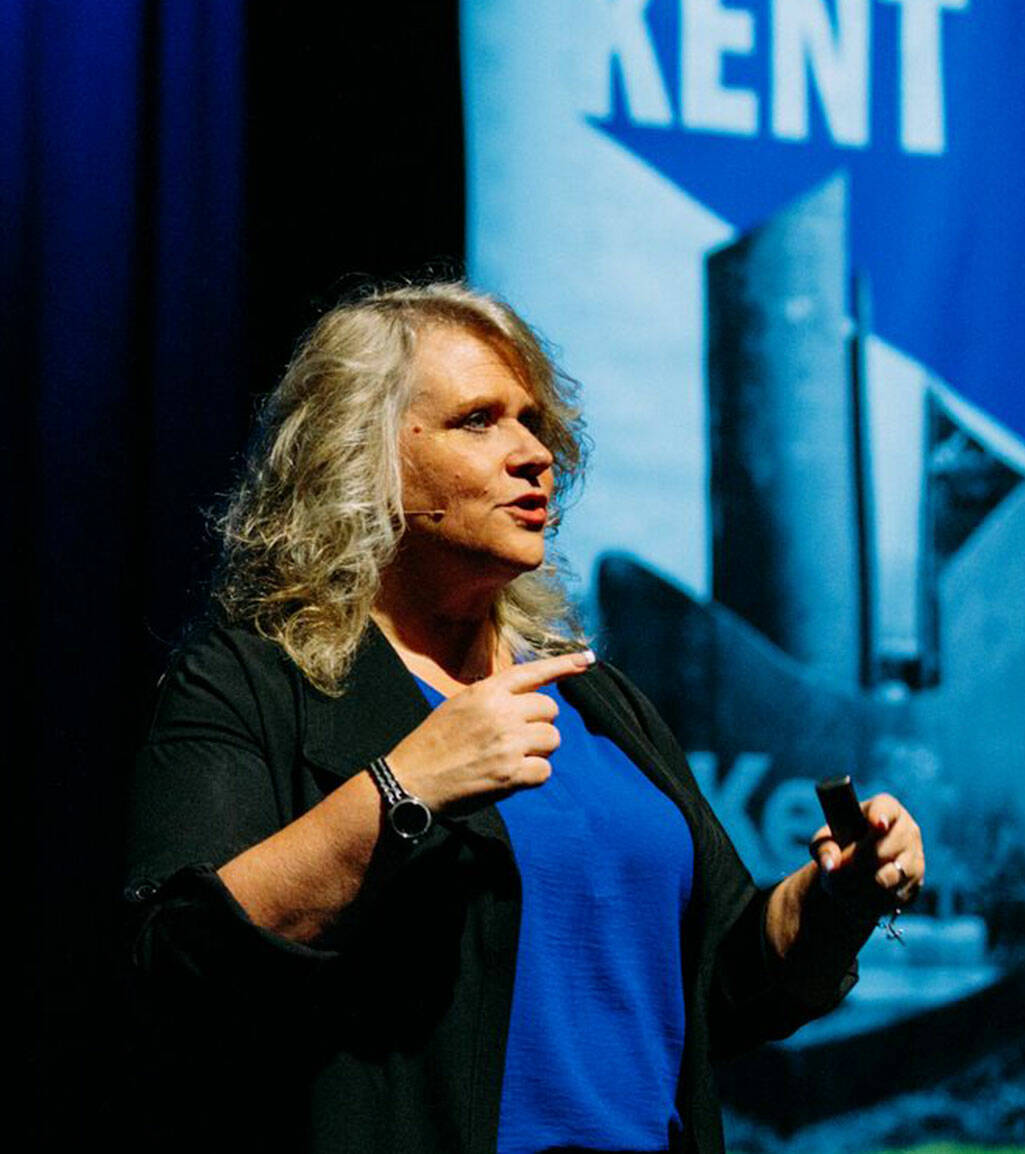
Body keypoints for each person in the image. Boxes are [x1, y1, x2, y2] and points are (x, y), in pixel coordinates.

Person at [124, 279, 924, 1154]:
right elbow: (179, 957)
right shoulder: (253, 682)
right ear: (362, 458)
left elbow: (722, 982)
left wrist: (834, 900)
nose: (533, 452)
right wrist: (406, 788)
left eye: (533, 421)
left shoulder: (594, 699)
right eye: (479, 420)